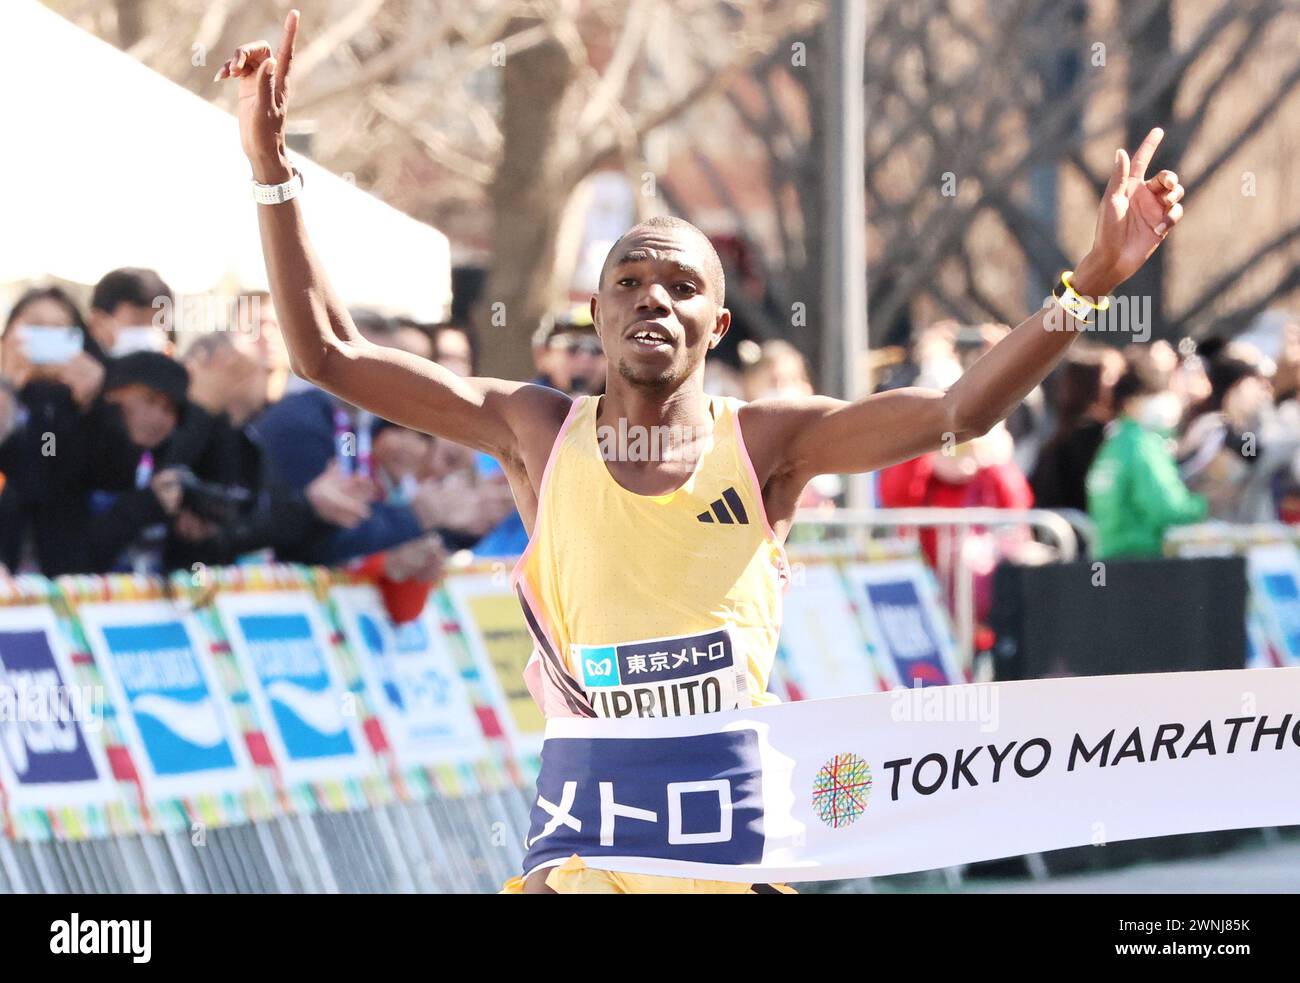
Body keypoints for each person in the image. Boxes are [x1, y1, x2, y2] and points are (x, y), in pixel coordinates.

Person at [218, 10, 1185, 893]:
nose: (653, 298)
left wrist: (1092, 277)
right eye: (629, 280)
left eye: (680, 285)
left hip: (730, 851)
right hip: (587, 848)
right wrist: (270, 166)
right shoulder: (535, 431)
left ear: (716, 322)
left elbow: (960, 410)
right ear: (596, 313)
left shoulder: (769, 441)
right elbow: (327, 354)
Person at [1086, 364, 1208, 559]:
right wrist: (1206, 504)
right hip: (1143, 561)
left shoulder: (1114, 444)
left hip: (1111, 558)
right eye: (1154, 394)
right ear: (1129, 403)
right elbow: (1168, 509)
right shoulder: (1142, 446)